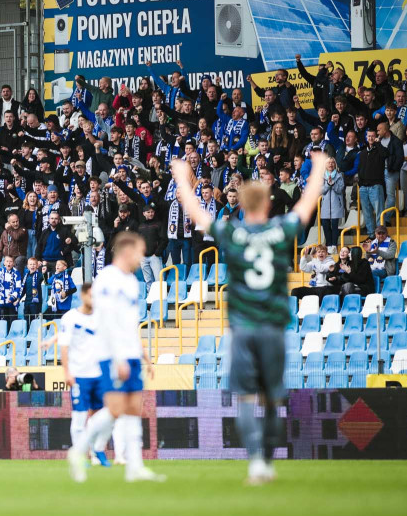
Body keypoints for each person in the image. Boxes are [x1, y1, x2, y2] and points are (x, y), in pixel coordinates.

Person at [170, 151, 327, 485]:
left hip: (242, 328)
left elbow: (195, 211)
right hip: (272, 327)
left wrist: (183, 177)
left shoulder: (233, 232)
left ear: (242, 203)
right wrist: (317, 168)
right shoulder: (280, 229)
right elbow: (307, 203)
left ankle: (255, 462)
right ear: (268, 205)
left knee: (244, 397)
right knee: (271, 398)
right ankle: (268, 463)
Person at [67, 231, 161, 484]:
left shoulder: (131, 281)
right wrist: (118, 357)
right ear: (127, 252)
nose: (141, 258)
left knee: (132, 409)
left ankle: (135, 467)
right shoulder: (108, 279)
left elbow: (129, 324)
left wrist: (143, 357)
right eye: (139, 252)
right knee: (117, 408)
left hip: (130, 353)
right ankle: (78, 450)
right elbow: (105, 321)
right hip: (112, 354)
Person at [57, 282, 112, 466]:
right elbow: (64, 347)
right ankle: (80, 455)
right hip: (79, 374)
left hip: (99, 374)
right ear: (82, 296)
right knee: (79, 417)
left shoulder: (102, 317)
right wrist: (67, 372)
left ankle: (97, 451)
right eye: (91, 295)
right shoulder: (70, 318)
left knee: (104, 416)